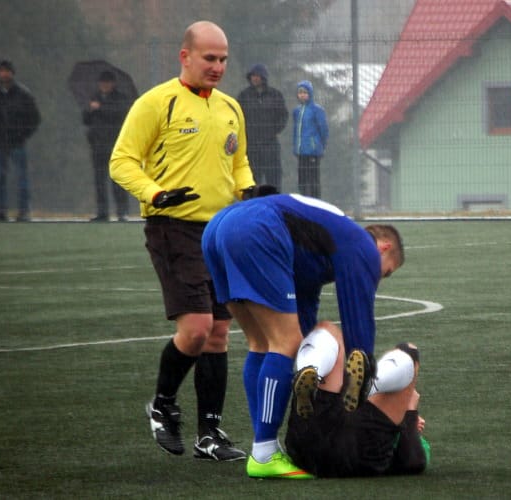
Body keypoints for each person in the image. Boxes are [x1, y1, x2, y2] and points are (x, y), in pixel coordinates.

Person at [110, 20, 255, 461]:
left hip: (222, 232)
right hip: (173, 227)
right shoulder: (156, 103)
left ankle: (209, 435)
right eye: (209, 58)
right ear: (185, 56)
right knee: (195, 331)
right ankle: (163, 404)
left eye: (223, 59)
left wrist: (249, 192)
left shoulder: (231, 107)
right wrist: (156, 193)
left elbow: (240, 163)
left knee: (218, 336)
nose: (217, 67)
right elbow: (122, 161)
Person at [201, 193, 405, 479]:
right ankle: (264, 453)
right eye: (386, 273)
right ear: (384, 248)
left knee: (262, 344)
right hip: (257, 226)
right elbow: (358, 324)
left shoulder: (321, 246)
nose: (378, 277)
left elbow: (304, 306)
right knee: (284, 344)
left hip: (218, 227)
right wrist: (362, 372)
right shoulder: (363, 246)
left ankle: (264, 445)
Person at [286, 320, 430, 477]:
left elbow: (414, 462)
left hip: (305, 446)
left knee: (328, 331)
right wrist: (408, 414)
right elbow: (413, 461)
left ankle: (312, 367)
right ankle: (369, 384)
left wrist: (410, 412)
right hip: (351, 448)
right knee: (406, 355)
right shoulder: (400, 423)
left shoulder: (412, 434)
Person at [0, 60, 41, 222]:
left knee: (21, 178)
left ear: (12, 73)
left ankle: (23, 211)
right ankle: (1, 211)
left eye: (7, 71)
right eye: (1, 71)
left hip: (17, 143)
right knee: (0, 177)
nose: (4, 74)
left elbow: (35, 118)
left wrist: (22, 135)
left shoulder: (23, 94)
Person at [82, 70, 132, 222]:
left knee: (117, 180)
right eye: (102, 82)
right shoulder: (94, 98)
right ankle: (102, 212)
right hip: (97, 146)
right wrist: (90, 110)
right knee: (99, 181)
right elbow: (85, 119)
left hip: (115, 145)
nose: (104, 85)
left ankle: (122, 212)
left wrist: (100, 108)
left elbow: (120, 114)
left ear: (113, 83)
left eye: (107, 82)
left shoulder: (121, 98)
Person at [237, 64, 288, 192]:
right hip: (251, 145)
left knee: (274, 178)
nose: (255, 78)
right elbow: (237, 116)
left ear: (263, 77)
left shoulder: (275, 95)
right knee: (252, 180)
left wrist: (272, 131)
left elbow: (283, 115)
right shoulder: (244, 96)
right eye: (253, 76)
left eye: (258, 76)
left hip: (270, 144)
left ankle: (276, 205)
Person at [292, 80, 328, 198]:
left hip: (313, 151)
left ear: (310, 94)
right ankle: (304, 201)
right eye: (300, 92)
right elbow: (295, 131)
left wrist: (320, 145)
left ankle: (316, 202)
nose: (302, 95)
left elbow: (323, 129)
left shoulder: (316, 110)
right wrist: (296, 146)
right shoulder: (297, 111)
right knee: (302, 179)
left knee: (313, 180)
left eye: (305, 92)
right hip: (301, 151)